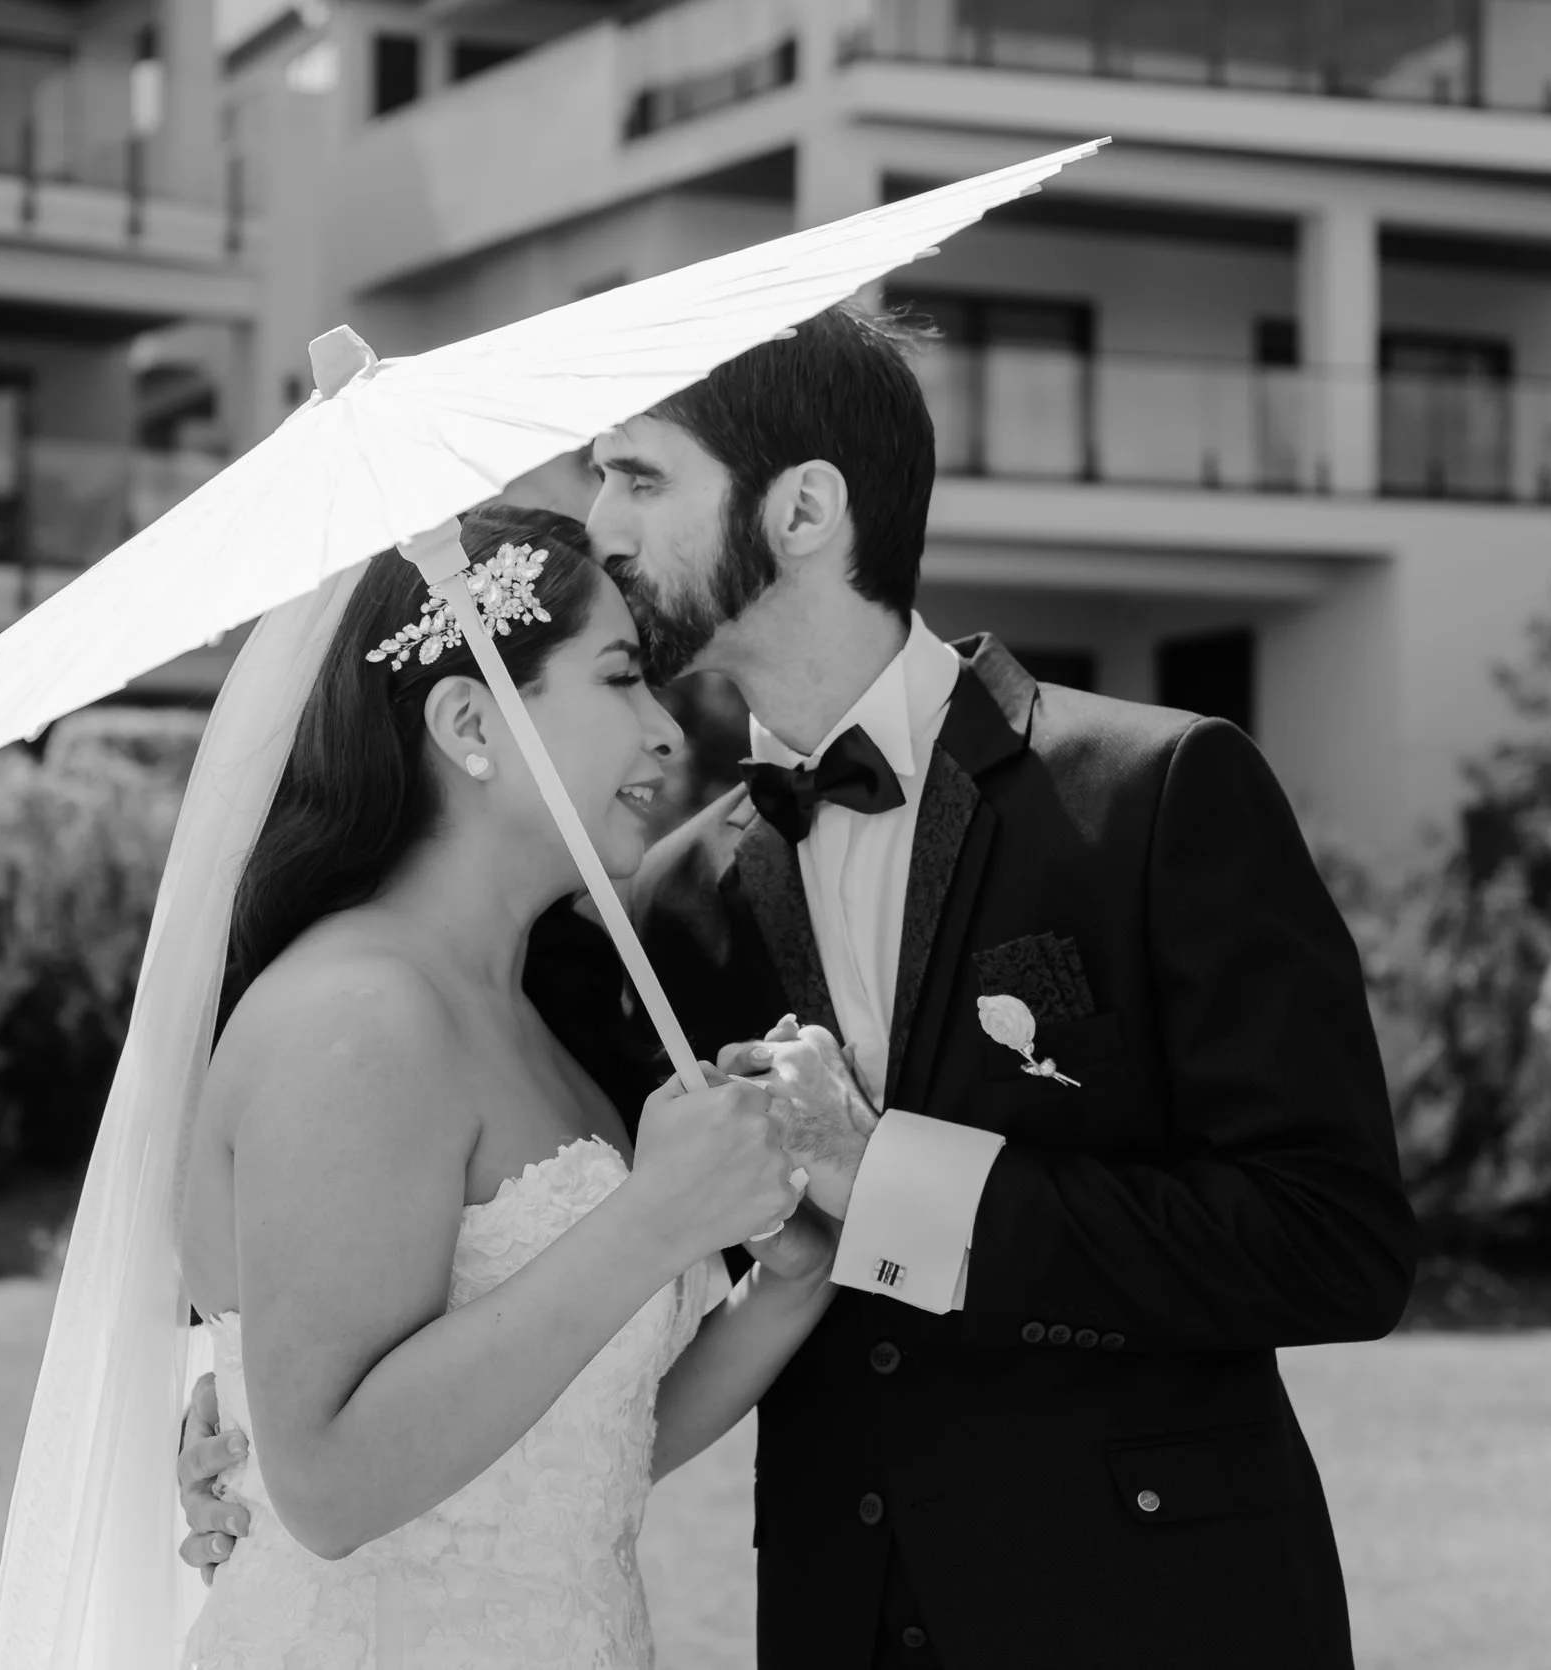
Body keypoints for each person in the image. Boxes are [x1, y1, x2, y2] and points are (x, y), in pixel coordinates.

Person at [183, 307, 1419, 1669]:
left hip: (1159, 1626)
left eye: (640, 476)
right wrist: (226, 1418)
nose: (597, 522)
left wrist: (888, 1183)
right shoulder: (653, 907)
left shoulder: (1155, 796)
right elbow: (431, 1255)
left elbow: (1335, 1238)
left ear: (806, 508)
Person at [172, 503, 836, 1667]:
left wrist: (784, 1283)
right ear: (470, 718)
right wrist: (655, 1216)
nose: (667, 729)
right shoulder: (357, 1016)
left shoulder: (530, 1019)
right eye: (622, 677)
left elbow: (573, 1447)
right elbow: (328, 1482)